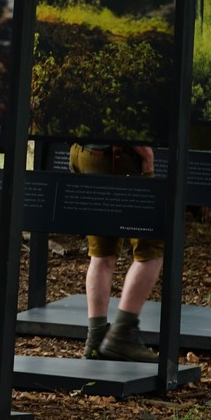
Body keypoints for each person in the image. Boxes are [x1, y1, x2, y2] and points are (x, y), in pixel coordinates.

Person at [72, 141, 162, 361]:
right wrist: (146, 155)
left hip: (84, 153)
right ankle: (122, 333)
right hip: (120, 157)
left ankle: (96, 339)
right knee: (152, 247)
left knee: (102, 252)